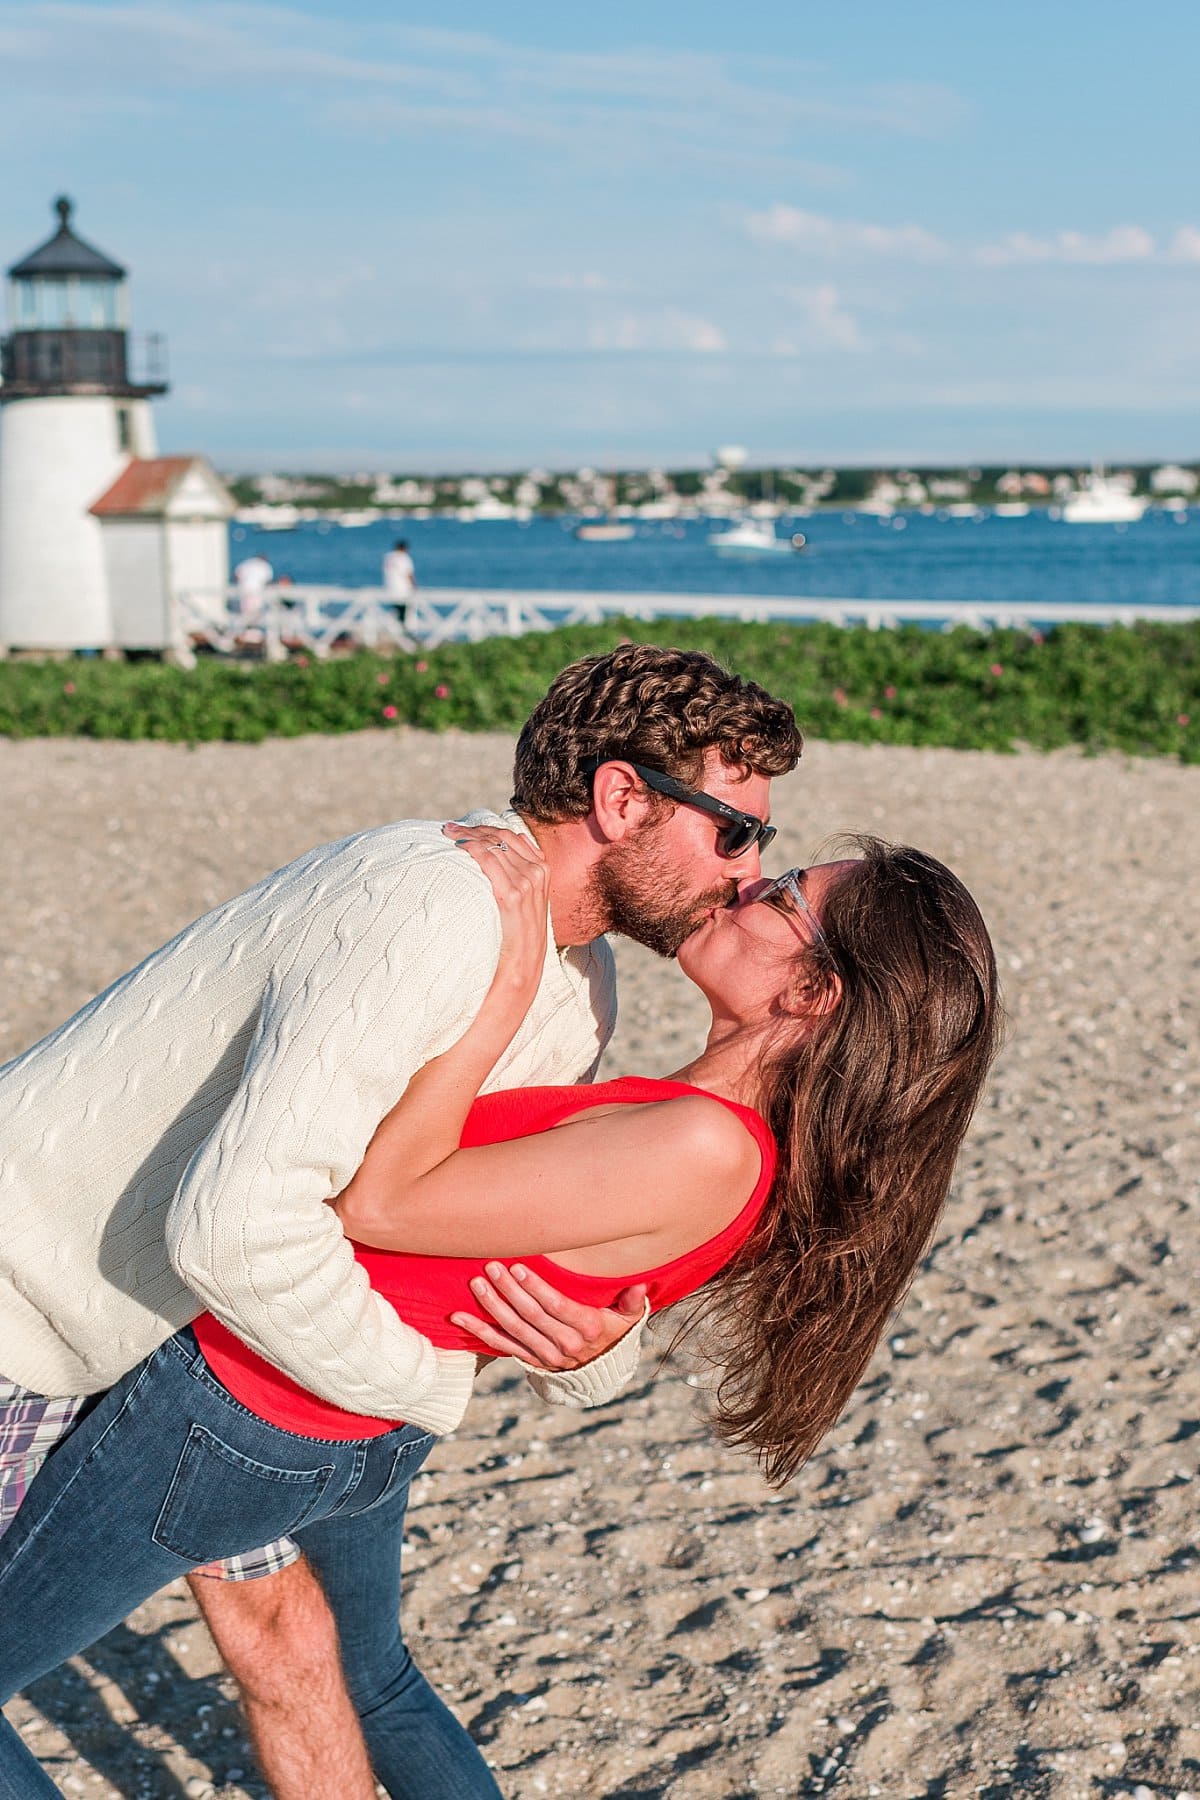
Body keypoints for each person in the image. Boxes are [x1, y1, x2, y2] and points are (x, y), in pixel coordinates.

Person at [0, 820, 1000, 1800]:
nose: (747, 886)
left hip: (250, 1412)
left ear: (815, 991)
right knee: (374, 1680)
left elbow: (381, 1202)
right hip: (347, 1408)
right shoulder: (698, 1119)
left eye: (783, 898)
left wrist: (498, 1002)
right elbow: (561, 1263)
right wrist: (598, 1349)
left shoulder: (705, 1143)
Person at [0, 644, 803, 1797]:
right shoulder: (431, 906)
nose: (748, 872)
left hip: (209, 1345)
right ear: (624, 798)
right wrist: (421, 1402)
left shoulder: (579, 980)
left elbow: (465, 1217)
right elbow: (241, 1228)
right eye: (737, 832)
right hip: (40, 1305)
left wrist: (596, 1352)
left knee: (302, 1650)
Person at [382, 537, 416, 625]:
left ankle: (395, 629)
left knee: (396, 610)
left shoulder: (388, 557)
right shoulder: (404, 557)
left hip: (390, 588)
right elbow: (409, 574)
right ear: (404, 548)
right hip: (403, 589)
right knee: (405, 613)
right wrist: (414, 586)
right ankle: (405, 632)